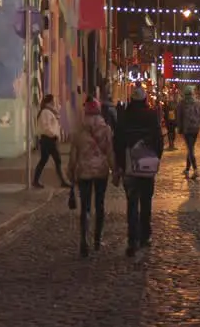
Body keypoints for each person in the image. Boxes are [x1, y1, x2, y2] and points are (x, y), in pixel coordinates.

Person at [115, 87, 162, 260]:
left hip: (129, 165)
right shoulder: (151, 115)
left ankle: (132, 238)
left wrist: (120, 164)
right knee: (146, 201)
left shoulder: (124, 116)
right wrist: (157, 158)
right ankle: (145, 235)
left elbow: (117, 142)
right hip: (147, 164)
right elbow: (158, 139)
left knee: (132, 202)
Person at [68, 99, 115, 257]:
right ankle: (97, 240)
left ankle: (84, 239)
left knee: (85, 206)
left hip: (84, 171)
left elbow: (73, 154)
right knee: (100, 204)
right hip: (101, 171)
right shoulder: (106, 129)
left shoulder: (79, 130)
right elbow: (109, 152)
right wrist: (115, 170)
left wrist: (71, 171)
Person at [33, 94, 69, 187]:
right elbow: (46, 127)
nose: (54, 102)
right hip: (48, 140)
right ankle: (63, 181)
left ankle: (36, 180)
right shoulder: (46, 112)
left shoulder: (49, 111)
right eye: (53, 100)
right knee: (57, 161)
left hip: (49, 139)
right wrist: (53, 135)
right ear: (50, 101)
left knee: (46, 160)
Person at [176, 86, 200, 179]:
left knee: (190, 149)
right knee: (190, 147)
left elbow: (179, 117)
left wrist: (179, 129)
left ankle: (196, 170)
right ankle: (187, 169)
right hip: (195, 129)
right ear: (193, 93)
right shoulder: (199, 103)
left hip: (187, 129)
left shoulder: (181, 103)